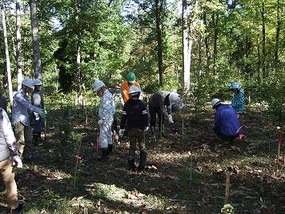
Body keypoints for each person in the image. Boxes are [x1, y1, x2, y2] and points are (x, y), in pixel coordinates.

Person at [12, 78, 46, 161]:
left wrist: (36, 112)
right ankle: (18, 158)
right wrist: (38, 110)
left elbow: (29, 107)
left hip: (25, 120)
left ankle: (27, 157)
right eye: (29, 88)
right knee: (20, 141)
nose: (31, 90)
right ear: (24, 86)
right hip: (19, 120)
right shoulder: (18, 95)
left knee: (28, 140)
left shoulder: (25, 96)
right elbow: (27, 105)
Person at [0, 107, 25, 213]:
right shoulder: (1, 112)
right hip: (2, 156)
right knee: (9, 182)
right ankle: (13, 208)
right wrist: (15, 154)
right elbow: (8, 135)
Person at [118, 86, 149, 171]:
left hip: (131, 129)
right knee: (142, 146)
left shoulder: (127, 104)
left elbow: (124, 117)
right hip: (140, 128)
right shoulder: (141, 104)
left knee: (132, 147)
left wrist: (121, 128)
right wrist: (147, 125)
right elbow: (145, 116)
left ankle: (131, 166)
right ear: (138, 94)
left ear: (130, 95)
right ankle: (141, 165)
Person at [93, 80, 116, 161]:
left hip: (106, 119)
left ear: (101, 88)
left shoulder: (106, 97)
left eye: (98, 91)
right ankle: (109, 151)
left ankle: (104, 156)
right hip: (109, 118)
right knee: (109, 134)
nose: (97, 93)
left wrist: (102, 119)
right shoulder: (108, 94)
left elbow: (107, 109)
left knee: (103, 136)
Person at [31, 79, 45, 146]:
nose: (39, 87)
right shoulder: (36, 95)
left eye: (40, 85)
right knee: (36, 127)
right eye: (38, 86)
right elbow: (36, 105)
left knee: (39, 127)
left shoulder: (37, 94)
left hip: (39, 112)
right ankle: (36, 142)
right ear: (35, 86)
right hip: (37, 113)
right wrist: (37, 114)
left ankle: (38, 139)